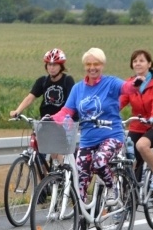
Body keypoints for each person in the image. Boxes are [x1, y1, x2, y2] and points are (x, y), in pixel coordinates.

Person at [49, 48, 126, 205]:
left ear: (102, 65)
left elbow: (127, 88)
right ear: (84, 66)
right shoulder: (78, 88)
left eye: (96, 64)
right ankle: (82, 219)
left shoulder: (111, 83)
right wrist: (51, 120)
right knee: (80, 179)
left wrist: (138, 83)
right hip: (87, 140)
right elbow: (66, 111)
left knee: (99, 161)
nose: (92, 67)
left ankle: (113, 187)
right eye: (89, 64)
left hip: (111, 136)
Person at [118, 49, 153, 191]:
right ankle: (128, 192)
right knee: (127, 156)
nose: (138, 64)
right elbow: (120, 100)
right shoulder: (131, 84)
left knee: (141, 145)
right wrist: (109, 113)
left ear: (149, 64)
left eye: (141, 61)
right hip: (137, 126)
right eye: (135, 61)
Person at [10, 48, 75, 118]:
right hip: (45, 121)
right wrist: (17, 111)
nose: (52, 68)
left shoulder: (67, 80)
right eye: (49, 65)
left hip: (63, 121)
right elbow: (30, 98)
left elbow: (71, 101)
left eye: (55, 65)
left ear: (61, 67)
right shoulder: (42, 81)